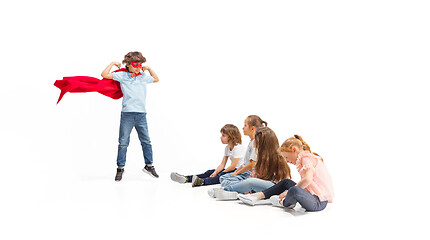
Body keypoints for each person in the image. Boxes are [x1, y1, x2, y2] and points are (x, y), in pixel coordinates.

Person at [101, 51, 160, 181]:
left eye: (140, 65)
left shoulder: (143, 76)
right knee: (123, 142)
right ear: (128, 64)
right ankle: (120, 168)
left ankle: (149, 165)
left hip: (141, 114)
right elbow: (104, 74)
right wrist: (112, 63)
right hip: (127, 114)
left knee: (146, 141)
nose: (138, 67)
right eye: (136, 64)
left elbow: (156, 79)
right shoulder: (122, 75)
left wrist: (149, 68)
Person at [238, 135, 334, 212]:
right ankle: (258, 196)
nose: (287, 161)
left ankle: (284, 202)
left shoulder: (306, 158)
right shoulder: (305, 158)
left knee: (294, 190)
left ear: (294, 150)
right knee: (286, 182)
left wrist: (288, 192)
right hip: (313, 196)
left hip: (318, 202)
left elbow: (307, 180)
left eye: (287, 157)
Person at [213, 127, 291, 200]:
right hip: (261, 186)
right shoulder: (261, 157)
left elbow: (283, 181)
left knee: (250, 182)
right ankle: (239, 191)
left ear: (261, 142)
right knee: (244, 181)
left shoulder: (278, 157)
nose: (253, 141)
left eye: (255, 139)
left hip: (274, 187)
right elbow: (257, 176)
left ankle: (226, 190)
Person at [206, 115, 265, 197]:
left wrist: (237, 172)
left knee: (225, 179)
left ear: (252, 128)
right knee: (222, 178)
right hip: (243, 172)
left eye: (245, 125)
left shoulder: (255, 143)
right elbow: (245, 162)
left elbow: (251, 164)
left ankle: (241, 189)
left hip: (247, 174)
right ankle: (241, 188)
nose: (243, 128)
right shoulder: (251, 142)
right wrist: (237, 172)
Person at [170, 124, 244, 187]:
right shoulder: (227, 148)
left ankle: (202, 181)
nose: (221, 137)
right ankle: (187, 178)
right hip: (232, 169)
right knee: (210, 172)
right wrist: (215, 172)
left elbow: (233, 166)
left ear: (231, 137)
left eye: (223, 136)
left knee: (220, 176)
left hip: (238, 171)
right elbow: (222, 164)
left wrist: (221, 173)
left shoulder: (238, 148)